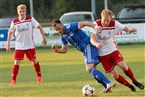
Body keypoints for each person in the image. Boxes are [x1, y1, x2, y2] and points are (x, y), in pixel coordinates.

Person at [51, 19, 116, 93]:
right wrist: (56, 50)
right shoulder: (63, 37)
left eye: (59, 28)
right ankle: (107, 88)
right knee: (92, 71)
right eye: (56, 30)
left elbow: (85, 23)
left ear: (62, 24)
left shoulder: (71, 26)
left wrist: (96, 27)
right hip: (85, 51)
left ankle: (108, 83)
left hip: (88, 45)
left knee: (89, 69)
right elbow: (64, 50)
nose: (58, 31)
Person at [89, 9, 144, 92]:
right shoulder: (96, 24)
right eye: (104, 20)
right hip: (102, 55)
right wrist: (96, 44)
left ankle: (135, 81)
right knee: (115, 75)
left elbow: (124, 28)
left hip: (112, 50)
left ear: (111, 19)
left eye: (108, 20)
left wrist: (129, 30)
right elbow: (92, 39)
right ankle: (130, 86)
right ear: (101, 18)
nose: (106, 23)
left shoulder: (114, 23)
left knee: (124, 66)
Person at [6, 4, 47, 85]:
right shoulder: (14, 22)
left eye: (23, 11)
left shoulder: (30, 19)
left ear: (26, 12)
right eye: (20, 11)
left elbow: (40, 27)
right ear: (17, 12)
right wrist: (8, 45)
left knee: (34, 61)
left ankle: (39, 77)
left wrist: (44, 38)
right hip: (19, 46)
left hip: (30, 45)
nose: (22, 13)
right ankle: (13, 80)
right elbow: (10, 33)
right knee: (16, 62)